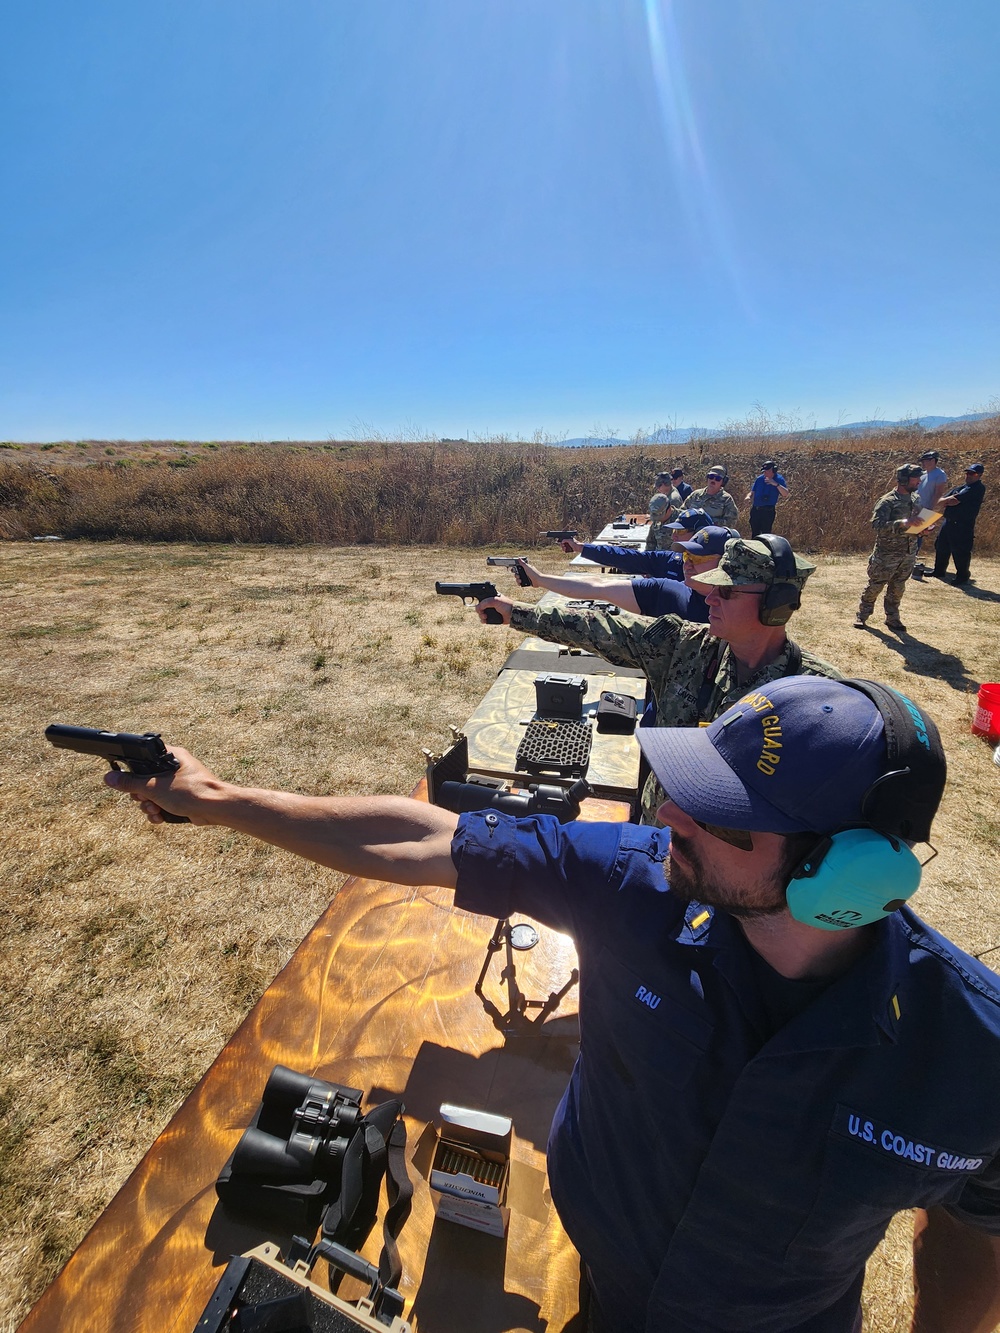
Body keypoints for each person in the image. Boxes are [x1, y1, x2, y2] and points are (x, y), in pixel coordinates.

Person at [103, 677, 1000, 1333]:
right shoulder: (641, 880)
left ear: (845, 873)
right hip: (601, 1281)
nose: (673, 818)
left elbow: (979, 1221)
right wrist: (214, 800)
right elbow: (425, 836)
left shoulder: (970, 1056)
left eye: (723, 813)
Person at [477, 536, 840, 820]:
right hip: (656, 830)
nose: (710, 597)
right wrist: (515, 613)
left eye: (727, 591)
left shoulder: (819, 696)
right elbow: (603, 627)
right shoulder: (689, 646)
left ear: (776, 603)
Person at [511, 526, 737, 624]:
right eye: (686, 556)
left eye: (696, 558)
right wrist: (539, 580)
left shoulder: (748, 607)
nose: (686, 564)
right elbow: (596, 586)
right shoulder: (668, 590)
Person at [853, 464, 922, 633]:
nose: (919, 481)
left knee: (898, 587)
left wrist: (923, 528)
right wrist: (903, 523)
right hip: (887, 554)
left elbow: (916, 522)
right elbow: (877, 524)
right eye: (915, 478)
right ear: (904, 480)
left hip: (908, 552)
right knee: (876, 585)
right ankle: (862, 615)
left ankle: (893, 618)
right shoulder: (887, 501)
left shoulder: (915, 499)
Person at [560, 508, 717, 582]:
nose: (674, 536)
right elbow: (625, 557)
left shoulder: (720, 572)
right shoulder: (673, 559)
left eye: (681, 532)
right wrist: (581, 548)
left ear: (700, 534)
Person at [930, 463, 987, 586]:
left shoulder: (977, 488)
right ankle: (939, 571)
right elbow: (941, 501)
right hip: (948, 522)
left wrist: (950, 500)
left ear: (980, 475)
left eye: (973, 473)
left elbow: (954, 500)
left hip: (962, 525)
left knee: (961, 551)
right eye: (968, 473)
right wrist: (949, 500)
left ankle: (962, 576)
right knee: (941, 546)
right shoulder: (960, 488)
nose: (969, 476)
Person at [745, 460, 790, 538]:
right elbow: (752, 491)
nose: (765, 473)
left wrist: (775, 484)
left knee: (765, 534)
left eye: (767, 471)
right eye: (764, 471)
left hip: (768, 511)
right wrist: (748, 496)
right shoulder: (759, 479)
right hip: (756, 510)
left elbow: (785, 494)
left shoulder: (779, 479)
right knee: (755, 533)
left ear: (774, 470)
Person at [645, 473, 683, 552]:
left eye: (659, 486)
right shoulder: (657, 520)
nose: (658, 489)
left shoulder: (681, 520)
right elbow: (651, 542)